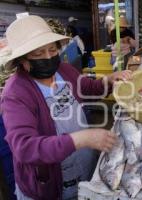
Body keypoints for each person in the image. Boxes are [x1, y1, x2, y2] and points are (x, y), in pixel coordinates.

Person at [0, 15, 132, 200]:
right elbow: (25, 148)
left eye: (52, 50)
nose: (48, 57)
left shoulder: (63, 70)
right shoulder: (16, 93)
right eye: (38, 54)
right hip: (49, 184)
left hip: (83, 166)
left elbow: (88, 88)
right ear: (22, 60)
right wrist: (79, 139)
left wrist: (109, 80)